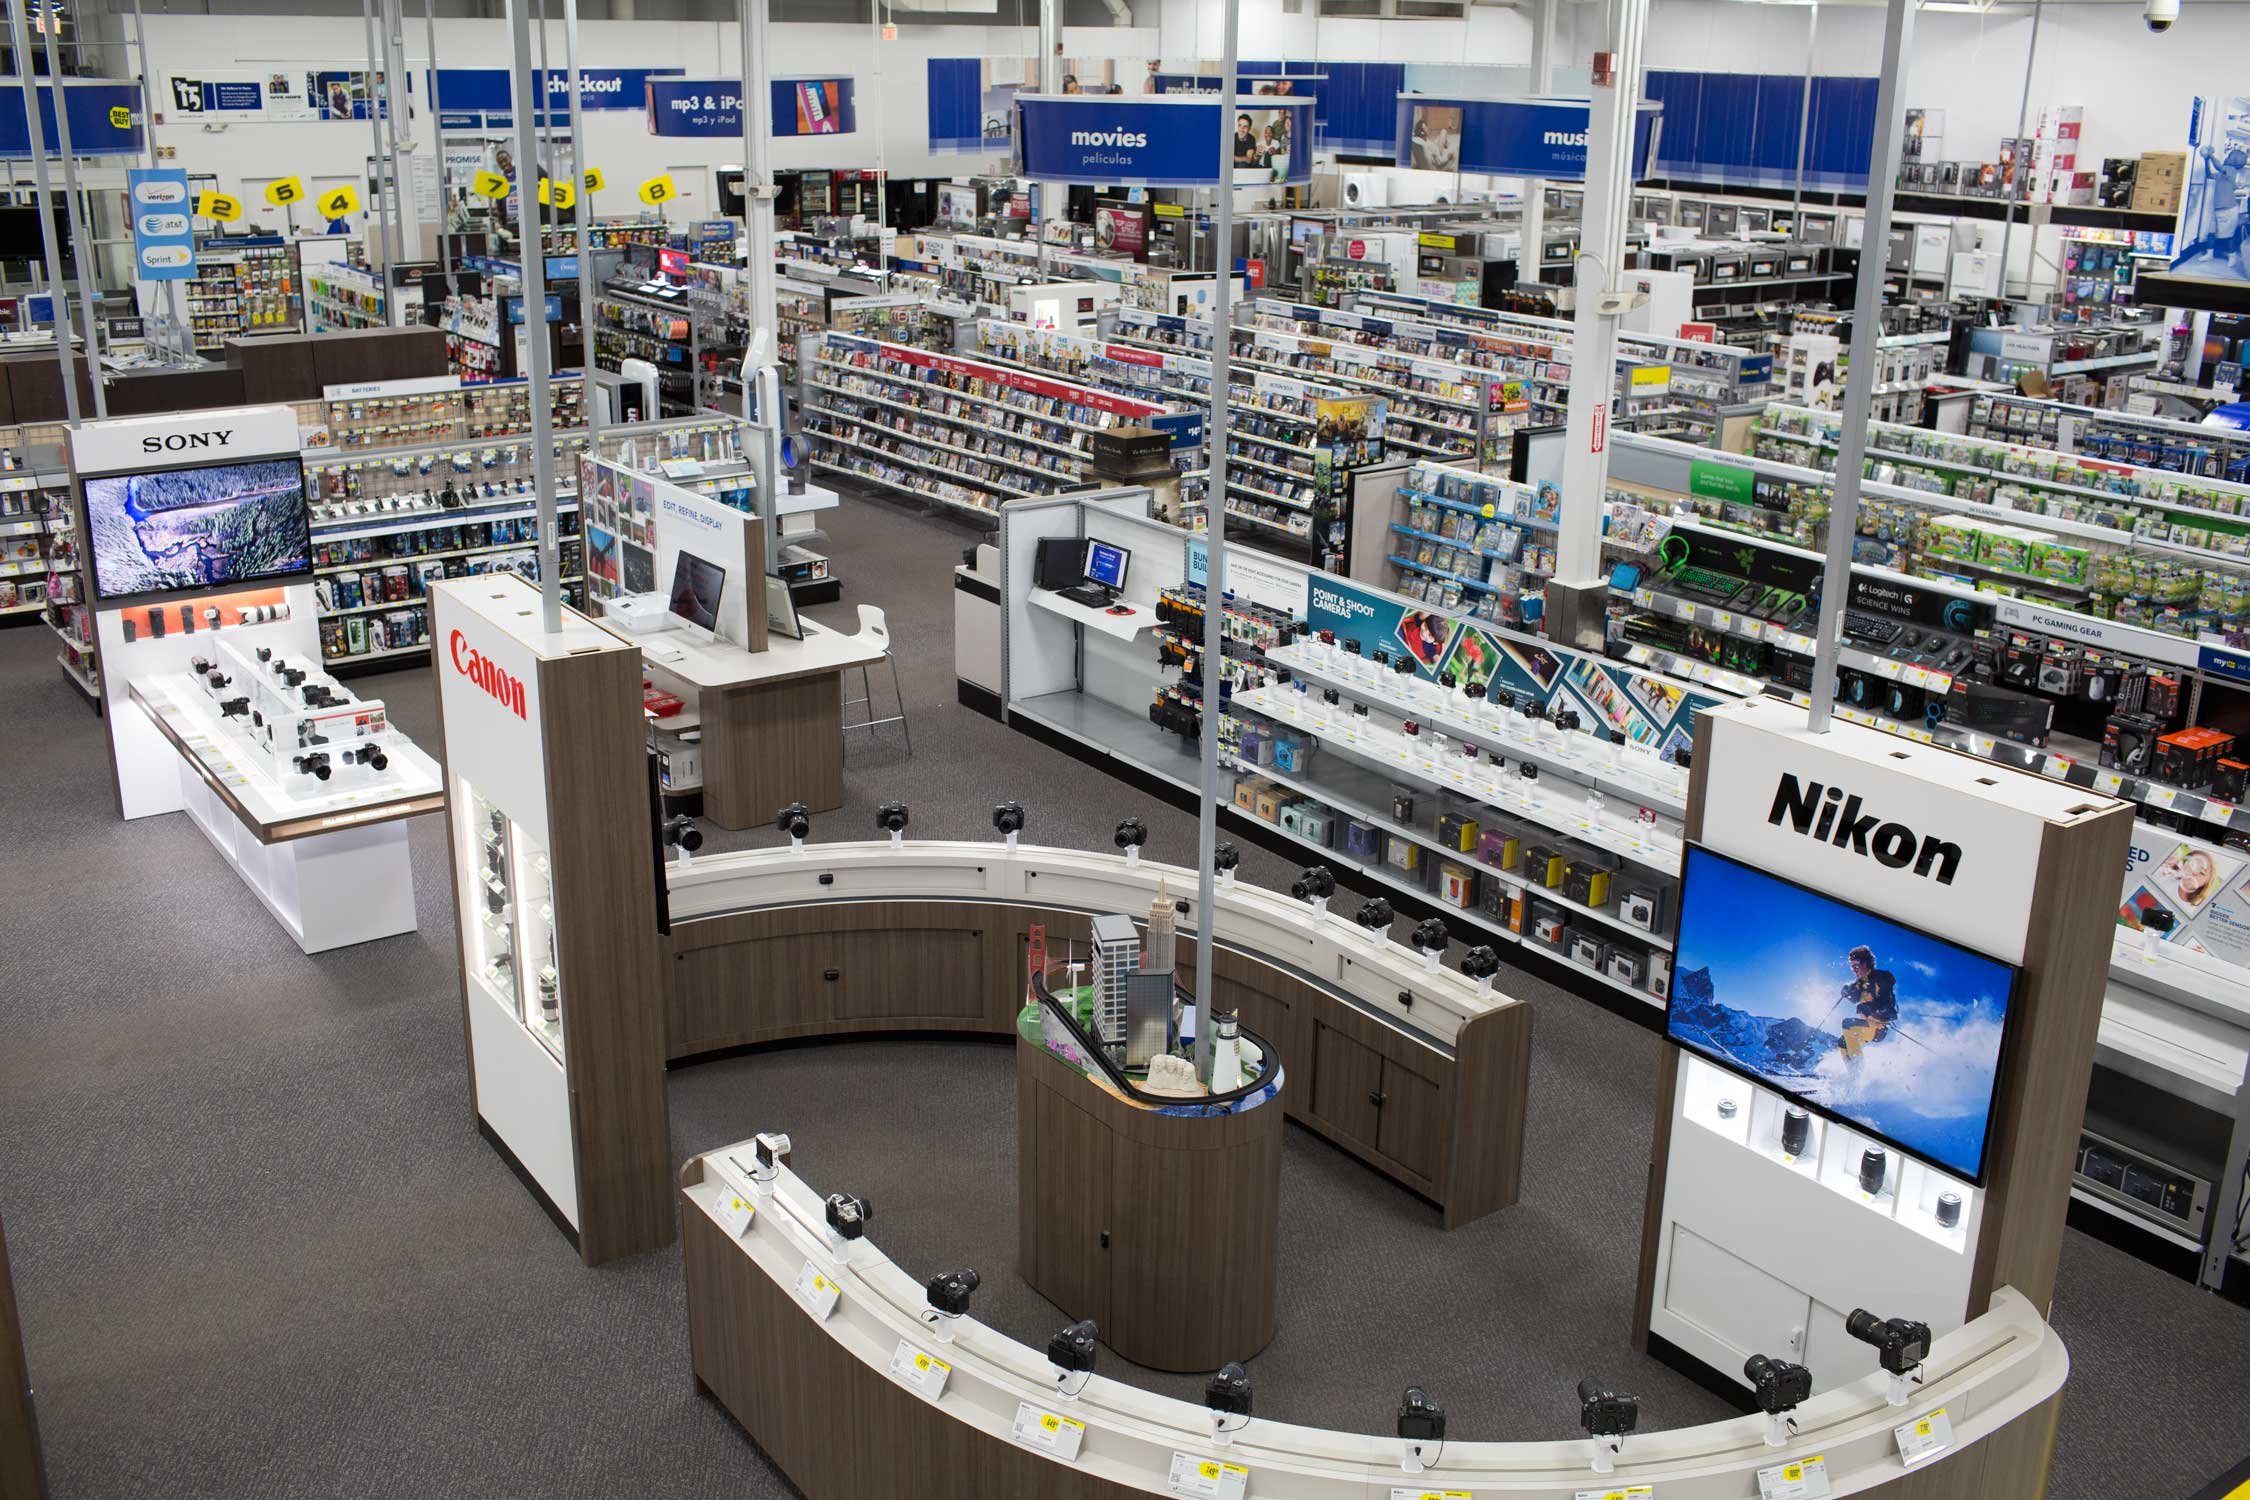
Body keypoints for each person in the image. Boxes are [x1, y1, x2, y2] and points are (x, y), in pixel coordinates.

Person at [1836, 944, 1897, 1062]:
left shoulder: (1880, 978)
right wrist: (1846, 992)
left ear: (1865, 963)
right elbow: (1854, 997)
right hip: (1866, 1026)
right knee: (1842, 1043)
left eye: (1856, 966)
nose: (1854, 970)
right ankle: (1852, 1070)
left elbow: (1886, 1007)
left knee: (1848, 1024)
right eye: (1852, 967)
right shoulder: (1860, 983)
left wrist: (1870, 1009)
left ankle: (1857, 1069)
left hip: (1878, 1027)